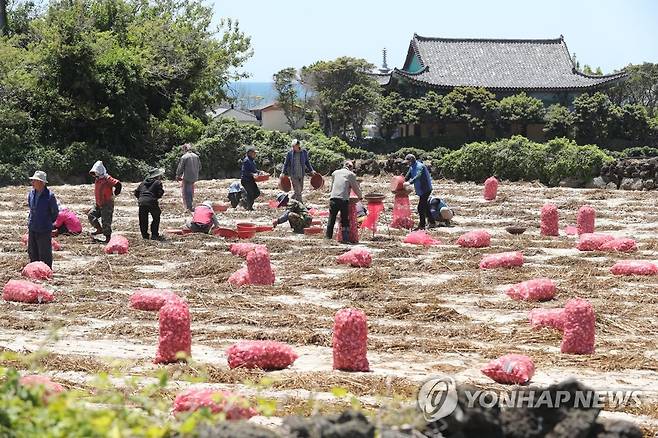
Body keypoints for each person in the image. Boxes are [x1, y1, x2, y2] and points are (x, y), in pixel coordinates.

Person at [27, 171, 59, 268]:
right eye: (32, 181)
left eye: (35, 181)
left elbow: (55, 212)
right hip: (32, 226)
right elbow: (31, 209)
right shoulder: (31, 194)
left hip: (44, 228)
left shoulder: (49, 196)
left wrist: (47, 222)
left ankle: (46, 270)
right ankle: (34, 270)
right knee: (32, 251)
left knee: (44, 252)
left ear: (42, 183)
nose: (32, 183)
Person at [325, 161, 362, 242]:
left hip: (333, 198)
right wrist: (360, 197)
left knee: (332, 218)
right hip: (343, 199)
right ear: (351, 168)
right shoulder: (350, 174)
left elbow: (333, 186)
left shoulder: (335, 173)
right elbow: (355, 188)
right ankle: (345, 239)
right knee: (345, 219)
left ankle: (328, 237)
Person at [88, 161, 121, 243]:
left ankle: (108, 238)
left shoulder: (107, 178)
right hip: (98, 203)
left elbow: (118, 184)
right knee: (91, 215)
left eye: (96, 172)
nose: (95, 174)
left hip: (107, 203)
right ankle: (99, 229)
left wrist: (116, 193)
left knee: (106, 221)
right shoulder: (97, 179)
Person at [134, 168, 165, 241]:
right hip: (151, 201)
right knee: (156, 216)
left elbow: (136, 193)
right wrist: (155, 197)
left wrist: (141, 198)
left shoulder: (143, 183)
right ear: (157, 176)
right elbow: (160, 193)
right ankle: (154, 234)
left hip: (142, 202)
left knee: (143, 219)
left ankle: (145, 235)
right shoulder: (158, 182)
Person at [404, 154, 433, 230]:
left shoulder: (420, 166)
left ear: (411, 161)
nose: (407, 163)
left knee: (420, 208)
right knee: (425, 206)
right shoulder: (412, 167)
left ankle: (422, 225)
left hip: (425, 189)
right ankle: (432, 222)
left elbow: (418, 176)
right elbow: (407, 176)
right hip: (420, 190)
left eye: (408, 161)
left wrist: (410, 183)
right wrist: (402, 181)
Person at [176, 143, 201, 213]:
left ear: (185, 149)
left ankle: (189, 207)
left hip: (187, 177)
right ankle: (190, 205)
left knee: (186, 192)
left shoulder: (184, 157)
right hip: (194, 176)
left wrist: (178, 175)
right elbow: (200, 167)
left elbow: (180, 168)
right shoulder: (196, 156)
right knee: (191, 191)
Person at [240, 146, 264, 211]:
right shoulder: (246, 160)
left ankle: (245, 201)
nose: (255, 154)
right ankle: (249, 207)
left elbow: (254, 170)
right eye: (254, 153)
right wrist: (253, 174)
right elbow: (245, 171)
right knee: (250, 193)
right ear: (250, 153)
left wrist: (259, 172)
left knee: (257, 193)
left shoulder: (252, 161)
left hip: (251, 180)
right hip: (246, 180)